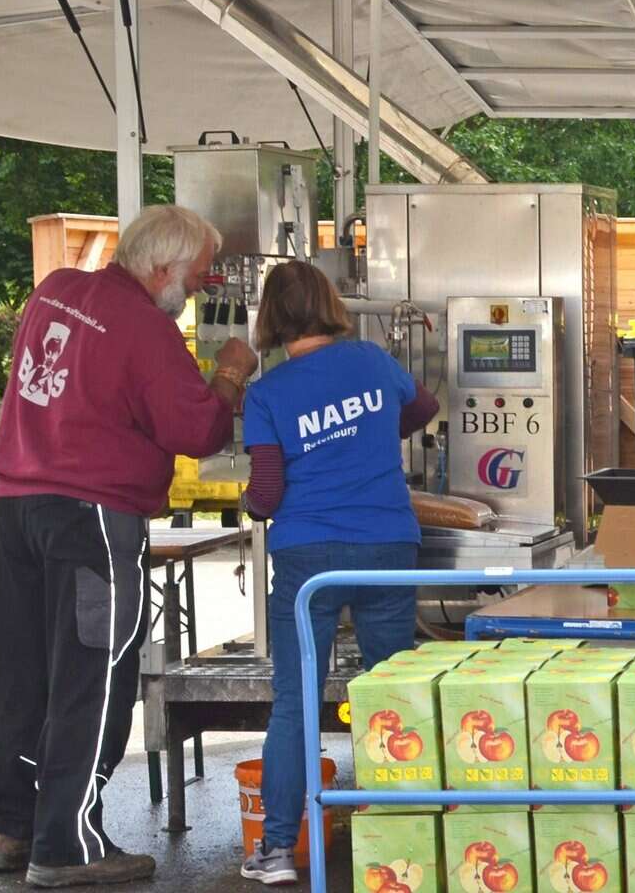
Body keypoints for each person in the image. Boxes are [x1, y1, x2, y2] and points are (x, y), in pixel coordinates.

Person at [0, 205, 259, 887]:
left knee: (18, 670)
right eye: (194, 281)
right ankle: (68, 845)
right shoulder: (144, 327)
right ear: (161, 268)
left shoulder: (55, 290)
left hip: (16, 504)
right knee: (94, 674)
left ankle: (9, 825)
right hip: (92, 518)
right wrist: (228, 374)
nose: (195, 292)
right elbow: (195, 430)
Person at [237, 261, 439, 886]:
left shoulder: (267, 392)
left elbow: (267, 495)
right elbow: (425, 406)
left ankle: (274, 851)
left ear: (272, 318)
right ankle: (402, 827)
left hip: (309, 559)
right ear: (329, 304)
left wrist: (250, 499)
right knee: (387, 692)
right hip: (386, 546)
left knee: (295, 700)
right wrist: (371, 437)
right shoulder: (374, 362)